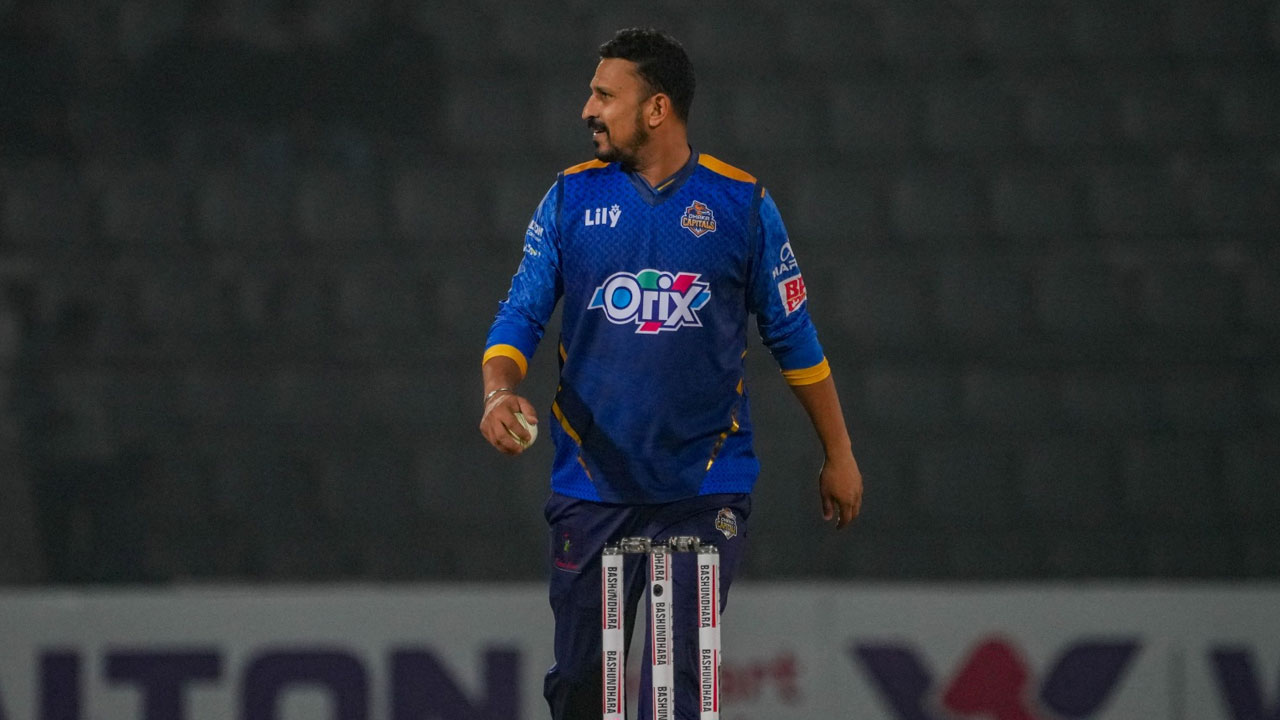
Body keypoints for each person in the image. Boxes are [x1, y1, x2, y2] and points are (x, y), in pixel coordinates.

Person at [479, 27, 863, 720]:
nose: (587, 110)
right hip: (592, 487)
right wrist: (498, 390)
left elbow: (794, 336)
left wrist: (839, 453)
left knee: (676, 691)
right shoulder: (570, 199)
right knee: (583, 690)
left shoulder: (741, 205)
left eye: (605, 95)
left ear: (656, 108)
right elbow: (521, 314)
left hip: (702, 489)